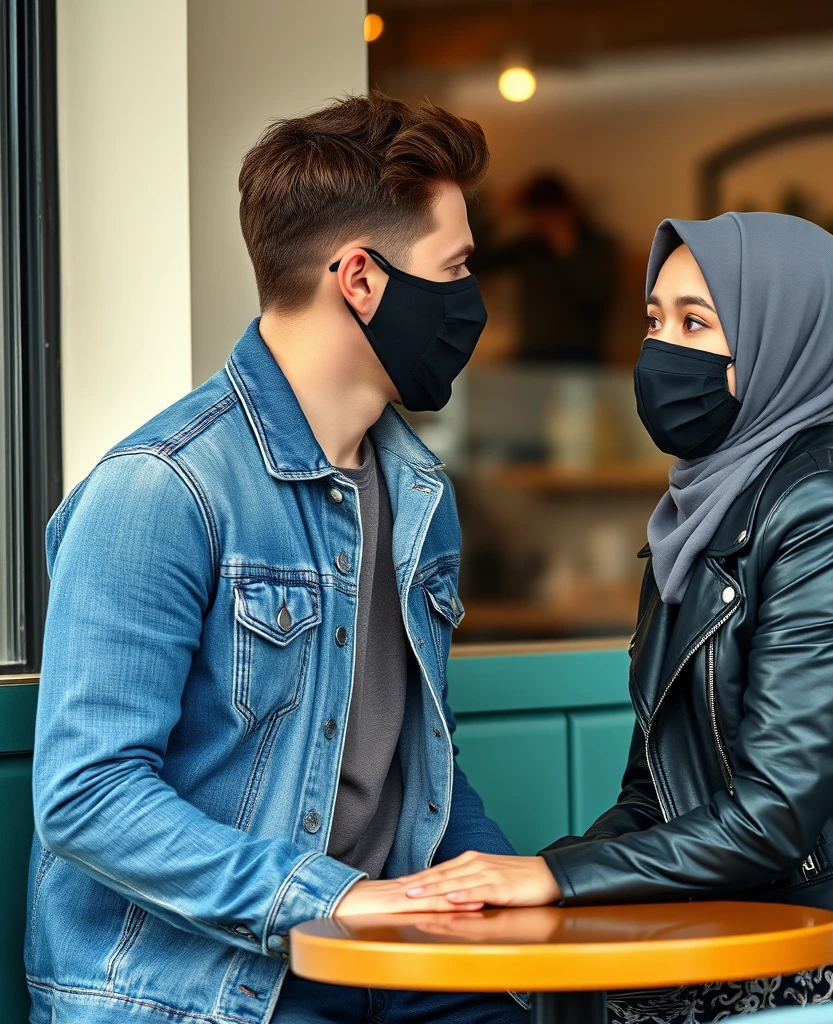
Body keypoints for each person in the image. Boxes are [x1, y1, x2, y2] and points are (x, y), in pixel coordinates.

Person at [398, 212, 833, 1014]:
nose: (661, 350)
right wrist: (521, 884)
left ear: (785, 340)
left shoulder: (827, 513)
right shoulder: (695, 523)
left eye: (697, 323)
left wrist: (551, 877)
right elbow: (654, 797)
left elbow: (775, 813)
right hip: (727, 933)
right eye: (654, 321)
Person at [26, 93, 527, 1024]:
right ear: (361, 280)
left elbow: (416, 762)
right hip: (211, 988)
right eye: (454, 268)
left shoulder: (419, 497)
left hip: (390, 967)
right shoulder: (160, 490)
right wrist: (329, 897)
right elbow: (89, 797)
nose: (471, 302)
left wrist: (498, 895)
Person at [472, 172, 619, 363]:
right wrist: (497, 214)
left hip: (582, 356)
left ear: (569, 209)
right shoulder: (529, 247)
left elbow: (597, 296)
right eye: (537, 214)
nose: (544, 221)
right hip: (533, 354)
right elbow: (471, 264)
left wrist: (566, 249)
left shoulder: (600, 245)